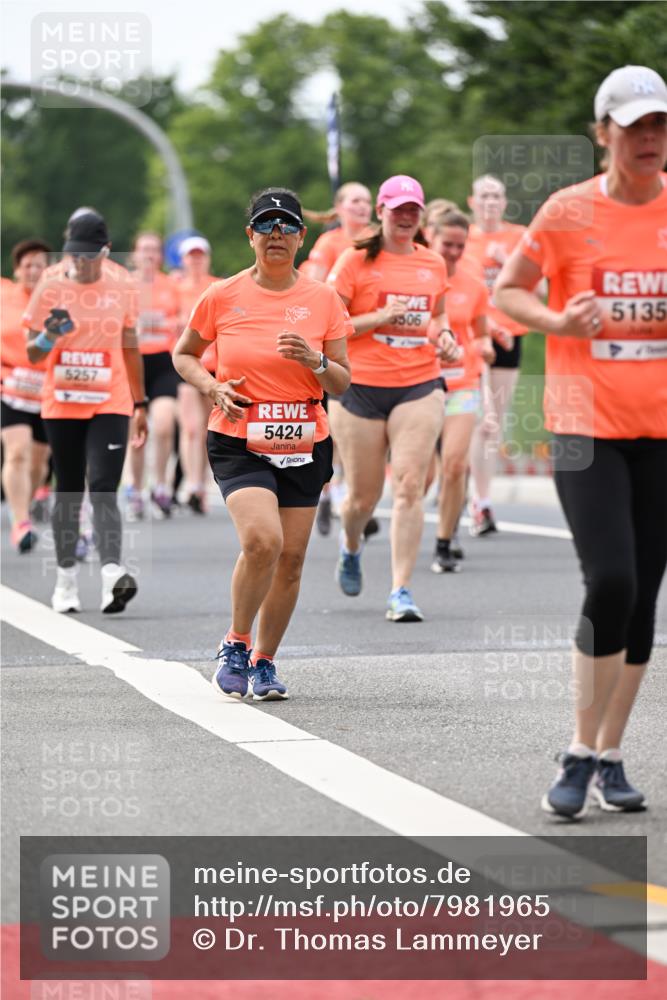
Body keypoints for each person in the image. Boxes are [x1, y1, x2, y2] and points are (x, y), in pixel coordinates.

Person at [495, 65, 667, 819]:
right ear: (602, 134)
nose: (649, 140)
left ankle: (609, 754)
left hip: (660, 432)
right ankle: (577, 745)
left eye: (658, 125)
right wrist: (559, 322)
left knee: (642, 601)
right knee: (612, 581)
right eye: (633, 127)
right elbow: (505, 291)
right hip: (581, 425)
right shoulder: (565, 213)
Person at [173, 188, 351, 701]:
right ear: (250, 236)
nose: (277, 235)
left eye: (287, 226)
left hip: (305, 439)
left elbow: (341, 381)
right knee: (262, 541)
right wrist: (211, 386)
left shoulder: (323, 299)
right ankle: (235, 642)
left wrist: (314, 362)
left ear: (301, 237)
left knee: (292, 559)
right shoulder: (221, 295)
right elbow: (184, 355)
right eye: (266, 226)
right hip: (239, 437)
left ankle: (264, 662)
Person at [328, 174, 459, 622]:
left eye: (412, 210)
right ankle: (350, 545)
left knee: (409, 486)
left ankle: (400, 589)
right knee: (363, 500)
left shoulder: (433, 263)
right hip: (359, 387)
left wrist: (445, 337)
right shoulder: (354, 261)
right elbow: (329, 324)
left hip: (419, 383)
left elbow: (438, 314)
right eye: (397, 209)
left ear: (420, 216)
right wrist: (380, 316)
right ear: (381, 212)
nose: (405, 217)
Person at [25, 211, 148, 613]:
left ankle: (112, 573)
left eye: (88, 256)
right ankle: (65, 581)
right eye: (74, 255)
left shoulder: (122, 283)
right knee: (70, 488)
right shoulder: (51, 282)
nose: (80, 263)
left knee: (103, 484)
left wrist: (140, 402)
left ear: (106, 251)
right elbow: (32, 352)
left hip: (109, 398)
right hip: (61, 401)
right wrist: (49, 334)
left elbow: (131, 344)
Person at [303, 182, 373, 536]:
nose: (362, 207)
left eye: (367, 201)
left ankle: (348, 493)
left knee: (356, 431)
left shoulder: (378, 240)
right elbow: (314, 288)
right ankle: (334, 490)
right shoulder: (329, 243)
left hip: (373, 348)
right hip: (338, 345)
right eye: (355, 201)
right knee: (336, 428)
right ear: (340, 207)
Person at [427, 211, 494, 572]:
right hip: (420, 385)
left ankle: (444, 540)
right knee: (421, 476)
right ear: (430, 239)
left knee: (455, 465)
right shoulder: (416, 281)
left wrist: (485, 346)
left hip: (462, 384)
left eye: (459, 245)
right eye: (446, 244)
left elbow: (482, 332)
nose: (453, 252)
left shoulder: (473, 284)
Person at [464, 175, 530, 536]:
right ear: (472, 202)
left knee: (494, 422)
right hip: (472, 336)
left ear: (505, 203)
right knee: (478, 420)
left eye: (497, 196)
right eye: (484, 195)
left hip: (508, 337)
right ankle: (474, 495)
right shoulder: (464, 238)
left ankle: (481, 501)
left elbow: (542, 288)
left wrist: (509, 265)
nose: (490, 201)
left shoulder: (518, 238)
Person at [125, 231, 181, 519]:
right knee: (138, 432)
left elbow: (186, 319)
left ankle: (159, 484)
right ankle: (135, 489)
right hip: (133, 363)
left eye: (154, 250)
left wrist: (171, 322)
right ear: (134, 254)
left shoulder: (171, 285)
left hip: (162, 361)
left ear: (160, 256)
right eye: (143, 249)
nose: (148, 255)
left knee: (164, 425)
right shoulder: (123, 285)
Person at [1, 238, 51, 551]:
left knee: (37, 463)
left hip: (49, 391)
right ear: (17, 269)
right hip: (10, 386)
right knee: (16, 451)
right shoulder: (4, 295)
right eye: (27, 265)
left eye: (39, 265)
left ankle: (28, 503)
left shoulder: (59, 301)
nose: (33, 270)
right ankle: (20, 523)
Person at [175, 235, 219, 513]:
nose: (196, 260)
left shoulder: (217, 286)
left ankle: (200, 485)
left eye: (200, 255)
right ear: (182, 260)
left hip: (215, 363)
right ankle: (191, 483)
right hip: (188, 362)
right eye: (191, 256)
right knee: (191, 428)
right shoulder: (175, 288)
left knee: (206, 430)